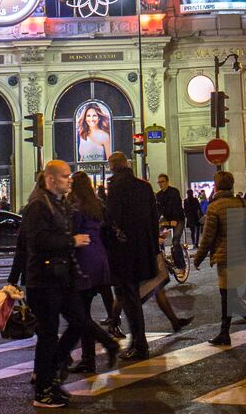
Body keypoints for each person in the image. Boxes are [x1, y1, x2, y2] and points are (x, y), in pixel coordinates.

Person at [19, 160, 89, 408]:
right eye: (64, 176)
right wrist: (72, 241)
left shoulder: (59, 203)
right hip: (44, 279)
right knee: (48, 335)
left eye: (69, 176)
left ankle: (49, 373)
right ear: (50, 180)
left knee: (80, 322)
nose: (69, 179)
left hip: (61, 277)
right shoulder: (38, 206)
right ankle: (44, 391)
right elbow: (37, 241)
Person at [191, 170, 246, 347]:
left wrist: (198, 258)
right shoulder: (241, 203)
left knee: (230, 297)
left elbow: (207, 237)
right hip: (242, 255)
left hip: (226, 257)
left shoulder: (215, 207)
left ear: (217, 186)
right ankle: (224, 333)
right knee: (229, 296)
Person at [104, 151, 160, 360]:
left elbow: (112, 220)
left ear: (112, 166)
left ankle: (140, 344)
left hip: (123, 253)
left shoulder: (116, 187)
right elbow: (154, 219)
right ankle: (139, 342)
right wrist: (153, 247)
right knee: (133, 297)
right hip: (143, 250)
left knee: (130, 300)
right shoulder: (144, 186)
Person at [69, 171, 122, 373]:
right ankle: (90, 357)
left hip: (84, 262)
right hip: (100, 259)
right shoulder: (98, 205)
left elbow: (73, 235)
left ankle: (92, 356)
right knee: (83, 311)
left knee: (81, 313)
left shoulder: (76, 208)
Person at [155, 173, 185, 248]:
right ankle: (162, 256)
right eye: (159, 182)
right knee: (159, 238)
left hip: (178, 219)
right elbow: (158, 210)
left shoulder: (174, 192)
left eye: (162, 182)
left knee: (175, 240)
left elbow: (176, 207)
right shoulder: (158, 195)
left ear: (167, 182)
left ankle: (178, 258)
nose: (160, 184)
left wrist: (175, 220)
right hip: (167, 220)